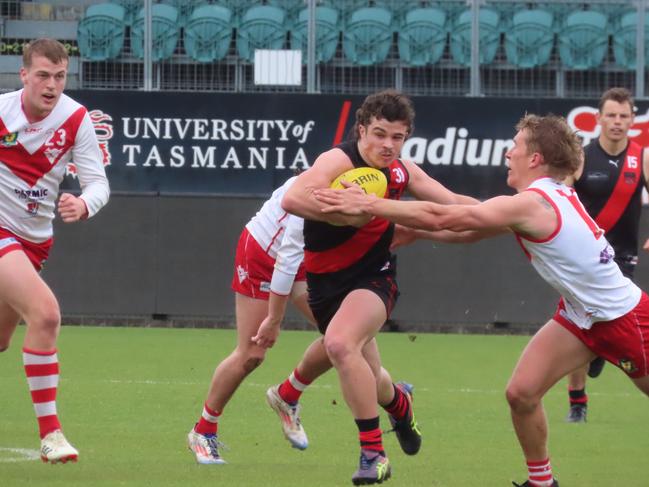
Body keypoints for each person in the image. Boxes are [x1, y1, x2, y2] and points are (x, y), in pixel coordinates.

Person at [315, 113, 649, 487]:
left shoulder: (534, 203)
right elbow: (466, 223)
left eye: (516, 147)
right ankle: (542, 483)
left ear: (535, 158)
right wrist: (416, 234)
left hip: (625, 319)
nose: (509, 154)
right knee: (521, 394)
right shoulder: (539, 200)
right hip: (579, 316)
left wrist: (368, 205)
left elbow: (444, 217)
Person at [281, 89, 477, 485]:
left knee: (338, 344)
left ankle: (374, 454)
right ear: (361, 130)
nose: (388, 145)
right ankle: (400, 405)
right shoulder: (338, 160)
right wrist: (342, 209)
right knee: (374, 377)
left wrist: (516, 214)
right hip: (324, 286)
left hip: (375, 279)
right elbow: (292, 197)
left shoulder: (404, 171)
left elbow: (455, 204)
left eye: (397, 137)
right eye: (380, 134)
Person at [186, 175, 417, 466]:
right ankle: (203, 430)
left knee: (347, 343)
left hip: (310, 259)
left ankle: (289, 394)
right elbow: (287, 256)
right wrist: (274, 319)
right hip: (265, 254)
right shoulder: (319, 186)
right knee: (252, 353)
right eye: (379, 135)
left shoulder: (377, 181)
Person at [0, 39, 110, 463]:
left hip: (34, 241)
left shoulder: (76, 118)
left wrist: (84, 203)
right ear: (23, 74)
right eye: (43, 75)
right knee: (46, 313)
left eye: (60, 77)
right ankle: (52, 436)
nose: (51, 85)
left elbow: (98, 182)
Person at [563, 87, 649, 423]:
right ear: (598, 119)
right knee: (577, 324)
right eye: (611, 115)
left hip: (623, 262)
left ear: (632, 120)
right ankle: (577, 404)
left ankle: (601, 353)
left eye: (623, 116)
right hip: (583, 262)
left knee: (612, 334)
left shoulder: (640, 157)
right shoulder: (581, 156)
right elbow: (563, 199)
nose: (617, 122)